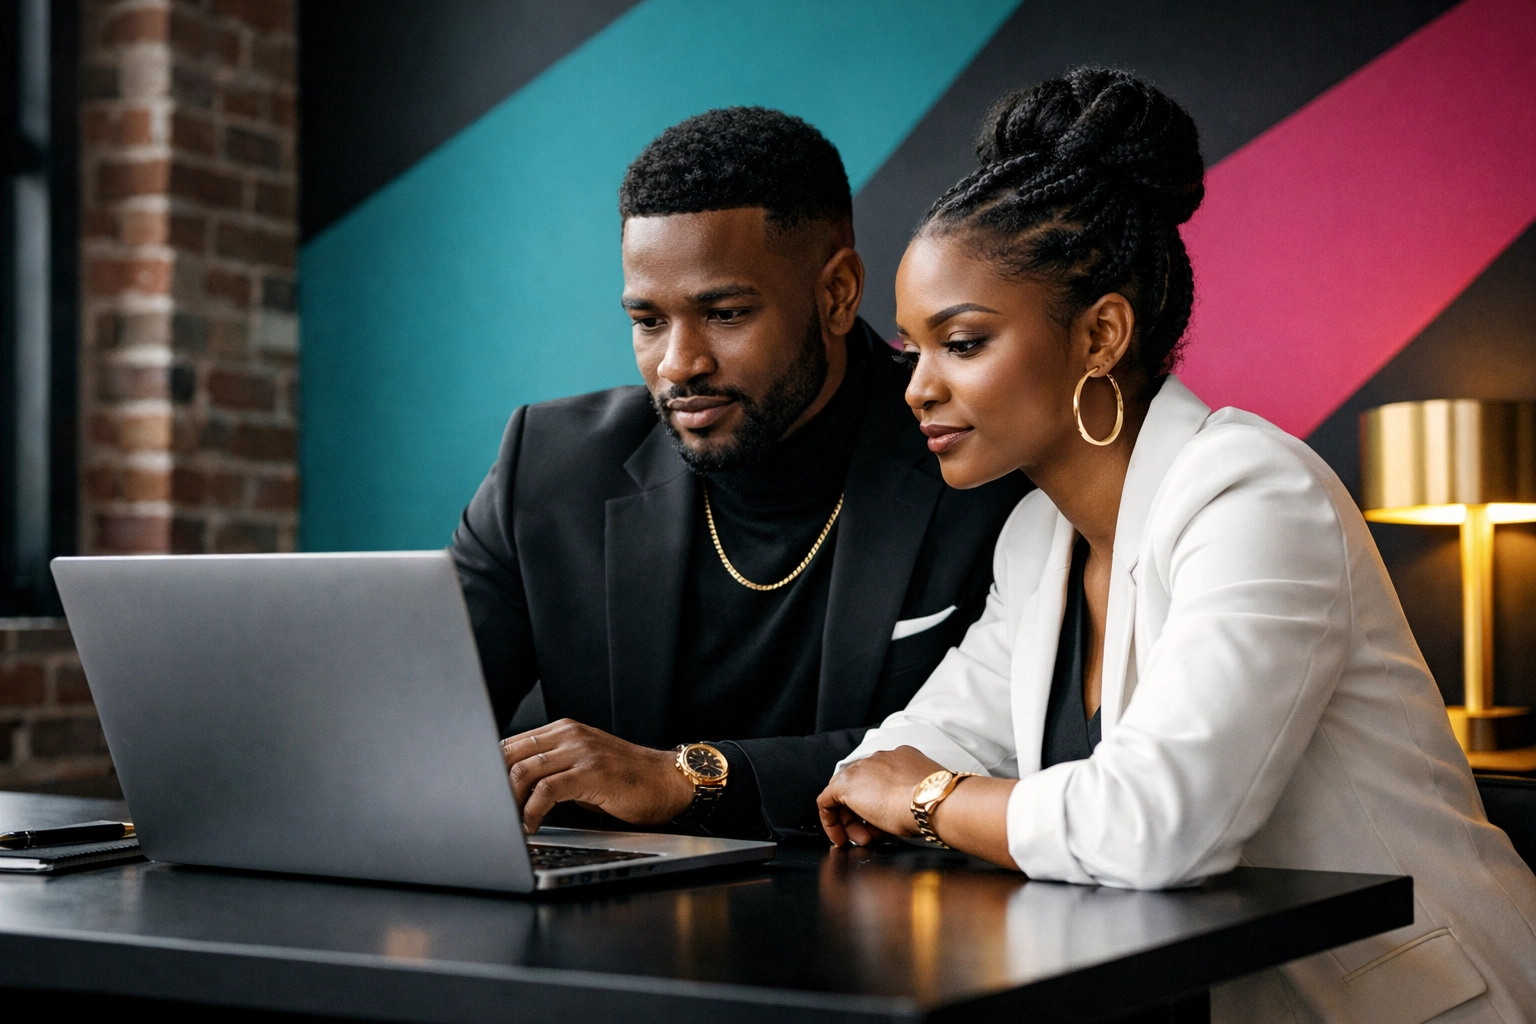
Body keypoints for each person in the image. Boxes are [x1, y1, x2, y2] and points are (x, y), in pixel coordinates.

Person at [816, 68, 1536, 1023]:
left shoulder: (1251, 494)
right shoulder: (1037, 538)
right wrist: (903, 779)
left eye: (964, 342)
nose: (918, 387)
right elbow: (909, 747)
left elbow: (1155, 827)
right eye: (913, 349)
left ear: (1102, 335)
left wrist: (929, 801)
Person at [452, 107, 1029, 840]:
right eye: (648, 321)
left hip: (884, 901)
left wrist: (686, 779)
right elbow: (412, 723)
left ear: (837, 293)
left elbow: (989, 746)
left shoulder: (980, 456)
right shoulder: (547, 468)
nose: (678, 365)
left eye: (724, 313)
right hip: (615, 906)